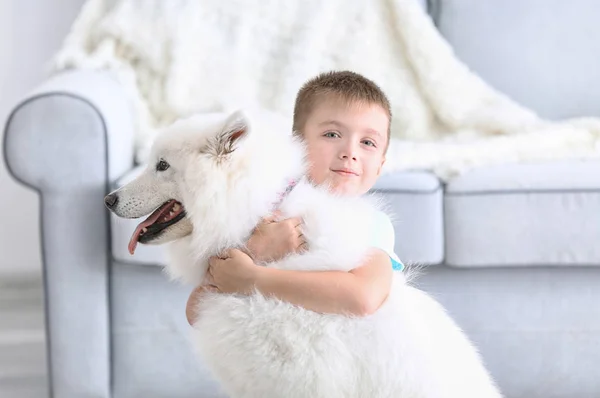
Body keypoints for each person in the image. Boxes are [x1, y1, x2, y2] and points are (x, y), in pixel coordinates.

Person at [186, 70, 404, 325]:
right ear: (296, 144)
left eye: (368, 142)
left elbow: (363, 297)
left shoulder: (370, 224)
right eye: (332, 134)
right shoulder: (268, 211)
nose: (350, 152)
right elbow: (196, 313)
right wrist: (256, 251)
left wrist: (253, 279)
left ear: (380, 165)